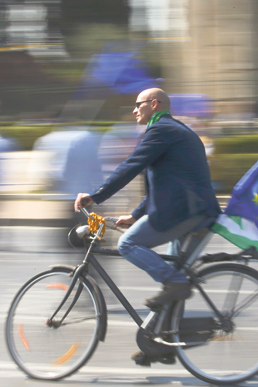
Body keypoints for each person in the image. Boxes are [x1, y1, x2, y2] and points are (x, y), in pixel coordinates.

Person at [74, 88, 221, 310]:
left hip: (183, 212)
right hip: (196, 211)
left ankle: (176, 285)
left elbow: (131, 166)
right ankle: (167, 340)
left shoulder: (161, 130)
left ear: (154, 104)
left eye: (137, 104)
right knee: (173, 286)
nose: (134, 110)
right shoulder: (174, 129)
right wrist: (135, 215)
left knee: (128, 244)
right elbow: (165, 184)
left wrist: (95, 195)